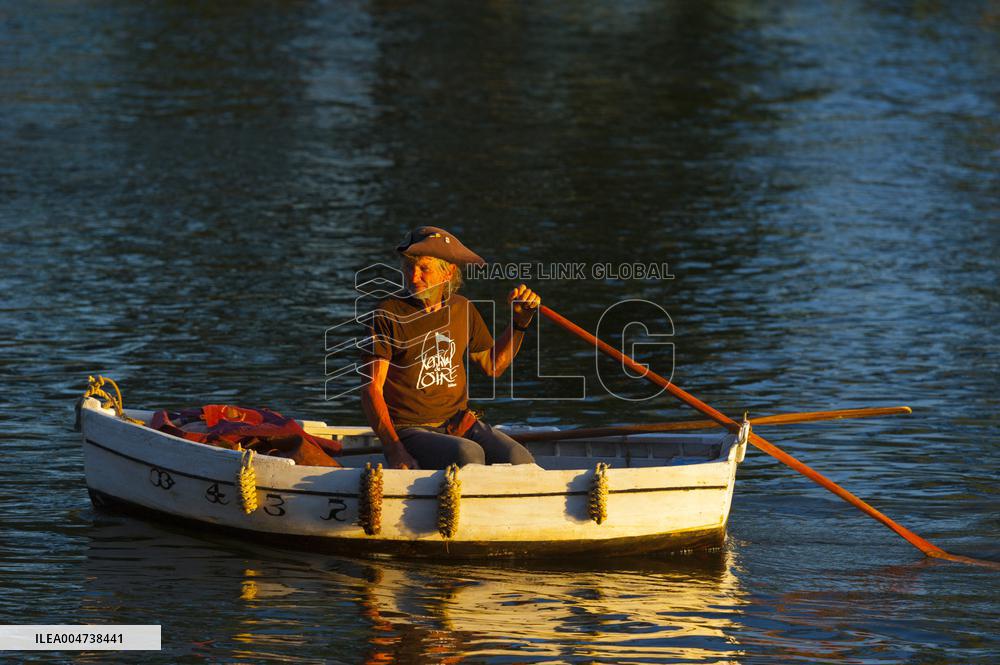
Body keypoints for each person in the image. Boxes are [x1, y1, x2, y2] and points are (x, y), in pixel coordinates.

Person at [359, 226, 539, 470]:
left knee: (520, 460)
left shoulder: (462, 308)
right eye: (409, 267)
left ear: (448, 273)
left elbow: (494, 366)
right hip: (410, 430)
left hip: (458, 423)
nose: (413, 277)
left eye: (424, 268)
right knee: (469, 454)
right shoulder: (388, 312)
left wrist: (520, 323)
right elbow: (372, 389)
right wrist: (394, 449)